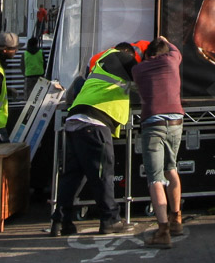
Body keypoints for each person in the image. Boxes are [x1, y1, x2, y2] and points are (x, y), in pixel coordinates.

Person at [49, 41, 139, 236]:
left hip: (75, 121)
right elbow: (145, 78)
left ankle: (60, 222)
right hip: (95, 124)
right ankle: (110, 219)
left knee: (73, 175)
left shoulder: (101, 66)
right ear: (128, 52)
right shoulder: (122, 57)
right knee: (103, 174)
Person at [133, 35, 186, 248]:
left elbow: (137, 63)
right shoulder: (172, 60)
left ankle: (163, 231)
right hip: (175, 121)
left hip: (153, 123)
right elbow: (175, 50)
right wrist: (166, 39)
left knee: (155, 178)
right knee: (171, 169)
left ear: (148, 55)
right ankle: (177, 220)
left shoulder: (138, 70)